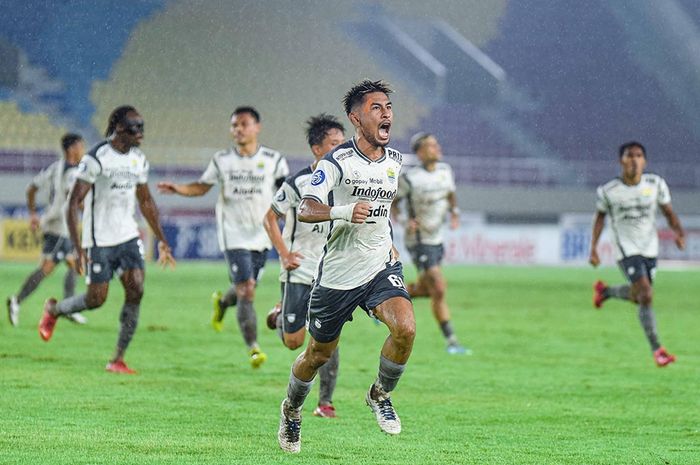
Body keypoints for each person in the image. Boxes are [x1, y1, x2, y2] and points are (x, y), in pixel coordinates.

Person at [278, 80, 415, 453]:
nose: (386, 112)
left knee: (405, 328)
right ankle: (291, 409)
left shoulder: (395, 162)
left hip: (379, 267)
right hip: (338, 276)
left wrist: (390, 244)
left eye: (388, 106)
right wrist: (341, 211)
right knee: (316, 356)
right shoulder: (336, 162)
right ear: (356, 118)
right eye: (376, 108)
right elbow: (307, 208)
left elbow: (381, 213)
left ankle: (380, 394)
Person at [38, 105, 176, 374]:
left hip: (127, 236)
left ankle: (118, 358)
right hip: (98, 240)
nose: (141, 133)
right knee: (96, 299)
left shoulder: (138, 160)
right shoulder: (97, 159)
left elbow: (145, 200)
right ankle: (54, 310)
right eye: (135, 127)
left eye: (142, 127)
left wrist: (162, 240)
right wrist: (78, 250)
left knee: (136, 288)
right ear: (119, 128)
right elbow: (72, 203)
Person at [158, 106, 288, 368]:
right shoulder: (222, 160)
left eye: (243, 124)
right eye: (234, 126)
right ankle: (254, 348)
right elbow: (202, 187)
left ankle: (221, 302)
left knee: (245, 288)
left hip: (262, 235)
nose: (238, 130)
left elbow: (286, 195)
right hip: (233, 233)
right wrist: (178, 189)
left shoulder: (274, 160)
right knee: (247, 289)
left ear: (256, 127)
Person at [263, 114, 345, 418]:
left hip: (332, 272)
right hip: (298, 269)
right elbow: (269, 217)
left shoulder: (346, 182)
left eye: (342, 144)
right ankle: (280, 315)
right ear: (317, 149)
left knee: (328, 336)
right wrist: (284, 254)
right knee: (293, 341)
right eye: (334, 144)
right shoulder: (297, 182)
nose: (340, 149)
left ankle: (325, 403)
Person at [589, 141, 685, 367]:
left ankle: (606, 292)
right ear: (621, 161)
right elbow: (600, 218)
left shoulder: (655, 184)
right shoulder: (609, 191)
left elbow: (668, 211)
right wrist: (593, 248)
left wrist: (678, 233)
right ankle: (658, 350)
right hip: (626, 248)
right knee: (646, 294)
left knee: (640, 295)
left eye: (639, 155)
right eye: (629, 156)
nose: (634, 160)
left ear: (645, 161)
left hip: (650, 248)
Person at [392, 132, 470, 355]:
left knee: (426, 289)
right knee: (438, 287)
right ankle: (452, 341)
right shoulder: (409, 178)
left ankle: (383, 298)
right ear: (419, 152)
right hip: (419, 240)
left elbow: (451, 195)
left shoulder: (446, 171)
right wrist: (406, 221)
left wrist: (455, 213)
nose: (436, 149)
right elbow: (394, 203)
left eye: (436, 145)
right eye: (430, 146)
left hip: (437, 237)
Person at [7, 133, 87, 327]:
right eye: (80, 146)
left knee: (75, 265)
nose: (83, 150)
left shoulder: (55, 167)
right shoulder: (72, 173)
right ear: (71, 149)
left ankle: (69, 307)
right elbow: (74, 198)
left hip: (56, 223)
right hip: (60, 225)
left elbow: (32, 188)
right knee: (47, 268)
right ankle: (16, 301)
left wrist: (33, 213)